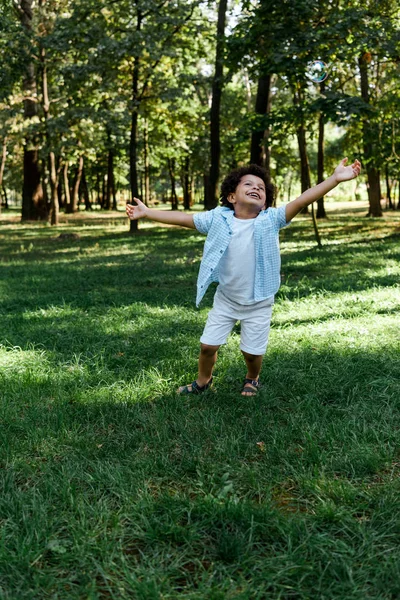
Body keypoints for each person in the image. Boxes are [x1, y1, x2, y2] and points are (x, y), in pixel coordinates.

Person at [126, 158, 361, 397]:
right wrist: (147, 213)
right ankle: (203, 381)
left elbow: (303, 199)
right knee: (207, 346)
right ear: (231, 197)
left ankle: (252, 377)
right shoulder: (217, 219)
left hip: (259, 301)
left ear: (266, 202)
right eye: (248, 184)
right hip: (226, 299)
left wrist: (334, 179)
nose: (256, 188)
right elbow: (184, 219)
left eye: (261, 188)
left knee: (251, 353)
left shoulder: (271, 220)